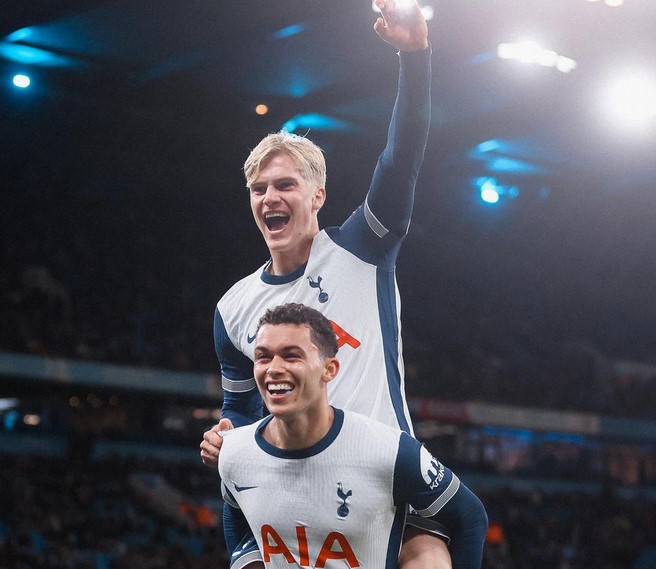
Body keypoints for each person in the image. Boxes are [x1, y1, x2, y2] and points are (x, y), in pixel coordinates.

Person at [201, 0, 457, 566]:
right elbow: (239, 407)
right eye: (259, 189)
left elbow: (402, 155)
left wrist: (414, 57)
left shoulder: (363, 248)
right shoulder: (233, 308)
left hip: (387, 478)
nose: (270, 198)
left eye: (285, 185)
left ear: (317, 196)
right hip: (295, 493)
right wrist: (226, 432)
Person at [218, 303, 488, 569]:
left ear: (329, 369)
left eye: (291, 356)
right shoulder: (235, 454)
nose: (274, 368)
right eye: (263, 356)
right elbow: (236, 515)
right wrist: (247, 560)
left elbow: (469, 516)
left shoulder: (390, 452)